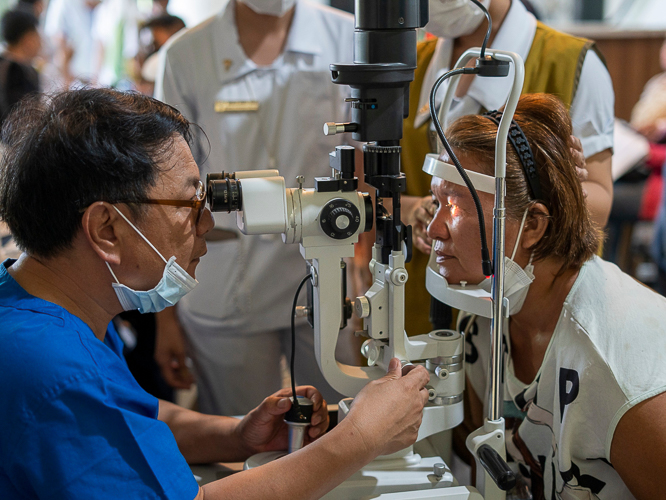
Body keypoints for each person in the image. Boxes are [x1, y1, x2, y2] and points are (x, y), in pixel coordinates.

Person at [0, 87, 431, 499]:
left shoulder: (48, 308)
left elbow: (126, 415)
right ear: (107, 229)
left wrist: (236, 435)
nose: (206, 224)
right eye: (189, 204)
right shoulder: (55, 370)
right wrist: (361, 439)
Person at [427, 92, 666, 499]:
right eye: (436, 201)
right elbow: (467, 440)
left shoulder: (620, 374)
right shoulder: (485, 314)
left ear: (534, 225)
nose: (432, 229)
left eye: (454, 207)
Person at [154, 0, 355, 415]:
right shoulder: (187, 55)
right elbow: (167, 191)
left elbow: (365, 161)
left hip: (329, 274)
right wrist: (165, 316)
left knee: (340, 428)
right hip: (226, 282)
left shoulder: (349, 36)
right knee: (243, 435)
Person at [399, 0, 615, 336]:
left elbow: (599, 204)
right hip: (423, 303)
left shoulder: (572, 63)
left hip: (538, 312)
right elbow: (368, 193)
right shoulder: (408, 66)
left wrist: (557, 184)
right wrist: (417, 209)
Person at [43, 0, 99, 87]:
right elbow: (57, 38)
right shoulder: (63, 3)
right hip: (74, 78)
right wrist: (66, 78)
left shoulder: (104, 6)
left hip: (98, 78)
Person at [0, 9, 41, 128]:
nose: (41, 42)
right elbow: (23, 119)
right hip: (11, 143)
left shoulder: (5, 64)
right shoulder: (17, 71)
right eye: (37, 35)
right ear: (28, 39)